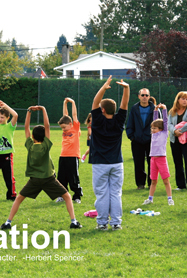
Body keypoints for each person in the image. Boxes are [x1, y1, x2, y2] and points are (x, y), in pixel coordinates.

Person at [0, 105, 82, 230]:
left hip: (34, 180)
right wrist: (43, 109)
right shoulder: (46, 146)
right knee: (67, 196)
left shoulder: (30, 145)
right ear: (45, 137)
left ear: (33, 137)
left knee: (19, 199)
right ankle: (74, 221)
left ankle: (8, 222)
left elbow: (26, 127)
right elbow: (47, 126)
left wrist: (28, 111)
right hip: (49, 179)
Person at [89, 76, 130, 231]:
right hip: (116, 163)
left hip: (100, 163)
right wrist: (126, 88)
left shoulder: (98, 120)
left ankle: (102, 223)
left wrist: (104, 87)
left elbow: (94, 102)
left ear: (103, 110)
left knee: (102, 194)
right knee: (115, 193)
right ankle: (116, 223)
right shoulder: (119, 120)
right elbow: (124, 104)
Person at [143, 103, 173, 206]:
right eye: (152, 128)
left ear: (160, 129)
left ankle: (170, 199)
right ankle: (150, 199)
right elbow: (155, 121)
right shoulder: (154, 135)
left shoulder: (164, 133)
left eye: (154, 128)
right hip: (153, 159)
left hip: (161, 159)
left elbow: (165, 121)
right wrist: (155, 110)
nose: (152, 130)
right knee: (153, 181)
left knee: (165, 180)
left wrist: (164, 109)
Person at [167, 92, 187, 191]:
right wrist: (174, 131)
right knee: (177, 162)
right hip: (174, 139)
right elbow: (168, 123)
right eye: (183, 99)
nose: (185, 101)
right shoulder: (172, 111)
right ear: (178, 99)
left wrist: (180, 131)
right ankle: (181, 185)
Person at [125, 88, 155, 190]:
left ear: (149, 97)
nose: (144, 97)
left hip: (151, 141)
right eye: (142, 95)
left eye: (146, 95)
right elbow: (130, 123)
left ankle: (151, 183)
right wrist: (131, 137)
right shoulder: (134, 109)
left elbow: (160, 124)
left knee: (152, 163)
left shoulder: (154, 109)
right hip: (137, 140)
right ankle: (140, 184)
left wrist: (155, 138)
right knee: (138, 163)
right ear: (139, 96)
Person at [57, 98, 83, 203]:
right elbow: (65, 116)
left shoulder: (75, 128)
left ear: (71, 124)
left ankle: (77, 196)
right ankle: (62, 196)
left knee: (73, 178)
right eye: (62, 128)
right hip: (63, 156)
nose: (63, 130)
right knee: (61, 178)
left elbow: (74, 115)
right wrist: (64, 103)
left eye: (64, 127)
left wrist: (73, 103)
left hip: (73, 157)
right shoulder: (66, 125)